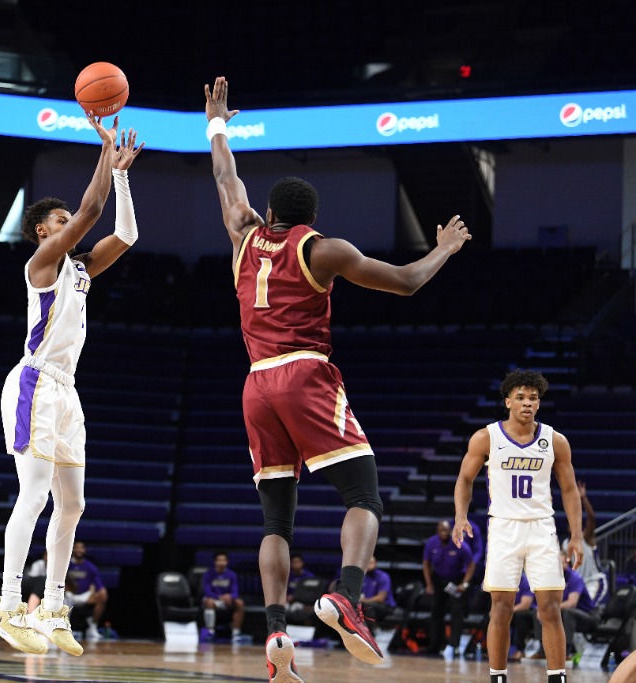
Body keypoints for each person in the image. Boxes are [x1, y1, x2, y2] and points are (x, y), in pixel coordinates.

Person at [204, 75, 471, 679]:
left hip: (255, 383)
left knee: (276, 522)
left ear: (268, 213)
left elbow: (225, 178)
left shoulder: (244, 236)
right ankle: (347, 593)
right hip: (304, 373)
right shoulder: (323, 249)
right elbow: (404, 282)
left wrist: (218, 123)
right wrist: (445, 250)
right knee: (364, 495)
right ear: (313, 217)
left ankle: (275, 633)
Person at [0, 112, 143, 658]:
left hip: (67, 391)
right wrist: (105, 151)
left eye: (67, 216)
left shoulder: (78, 269)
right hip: (34, 383)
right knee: (33, 494)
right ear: (42, 232)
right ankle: (6, 603)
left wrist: (119, 173)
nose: (70, 219)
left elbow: (124, 232)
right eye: (60, 217)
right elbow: (93, 210)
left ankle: (52, 606)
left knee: (71, 505)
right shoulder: (42, 264)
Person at [452, 368, 584, 683]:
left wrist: (577, 535)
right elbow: (464, 479)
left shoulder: (555, 440)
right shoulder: (486, 437)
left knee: (551, 608)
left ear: (539, 404)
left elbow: (568, 490)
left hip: (541, 527)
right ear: (508, 401)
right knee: (501, 608)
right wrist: (460, 516)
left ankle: (557, 678)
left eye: (533, 399)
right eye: (521, 398)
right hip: (504, 528)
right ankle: (498, 677)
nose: (527, 404)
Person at [530, 552, 598, 660]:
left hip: (588, 616)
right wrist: (541, 609)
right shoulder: (551, 580)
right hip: (565, 614)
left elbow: (572, 603)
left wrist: (550, 608)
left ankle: (566, 651)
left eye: (563, 562)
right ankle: (542, 650)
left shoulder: (574, 578)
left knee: (568, 612)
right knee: (539, 612)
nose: (561, 565)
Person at [422, 520, 475, 656]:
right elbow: (426, 564)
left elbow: (471, 565)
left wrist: (464, 584)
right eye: (441, 530)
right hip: (438, 581)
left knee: (457, 613)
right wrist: (429, 584)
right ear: (437, 531)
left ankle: (454, 646)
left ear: (451, 531)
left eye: (446, 530)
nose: (444, 533)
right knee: (436, 613)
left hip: (456, 582)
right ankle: (436, 645)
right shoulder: (431, 543)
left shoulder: (459, 543)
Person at [561, 481, 607, 606]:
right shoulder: (565, 543)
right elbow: (566, 564)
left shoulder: (586, 538)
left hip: (594, 581)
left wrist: (584, 499)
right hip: (577, 582)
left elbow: (592, 519)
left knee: (589, 608)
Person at [68, 541, 109, 642]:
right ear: (72, 550)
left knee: (103, 595)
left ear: (85, 550)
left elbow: (99, 585)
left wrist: (98, 591)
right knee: (63, 594)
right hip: (68, 595)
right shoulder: (67, 565)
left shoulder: (90, 567)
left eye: (81, 548)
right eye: (76, 548)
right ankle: (64, 627)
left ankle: (93, 626)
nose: (79, 550)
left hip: (84, 596)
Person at [201, 552, 246, 643]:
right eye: (219, 560)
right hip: (213, 600)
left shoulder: (232, 575)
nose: (221, 562)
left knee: (240, 603)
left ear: (227, 562)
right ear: (215, 562)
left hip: (227, 601)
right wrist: (219, 597)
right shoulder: (208, 574)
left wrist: (230, 597)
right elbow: (207, 591)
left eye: (223, 560)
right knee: (208, 602)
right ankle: (210, 631)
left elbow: (235, 591)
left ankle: (236, 633)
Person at [359, 556, 395, 632]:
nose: (368, 566)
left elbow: (380, 598)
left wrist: (363, 600)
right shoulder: (363, 577)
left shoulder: (383, 576)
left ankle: (373, 631)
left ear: (376, 564)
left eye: (371, 563)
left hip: (386, 607)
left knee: (368, 606)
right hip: (368, 604)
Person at [507, 573, 536, 661]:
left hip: (531, 612)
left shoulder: (526, 581)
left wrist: (507, 611)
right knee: (493, 616)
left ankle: (520, 650)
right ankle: (492, 648)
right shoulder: (505, 581)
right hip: (511, 611)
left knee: (519, 616)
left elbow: (525, 605)